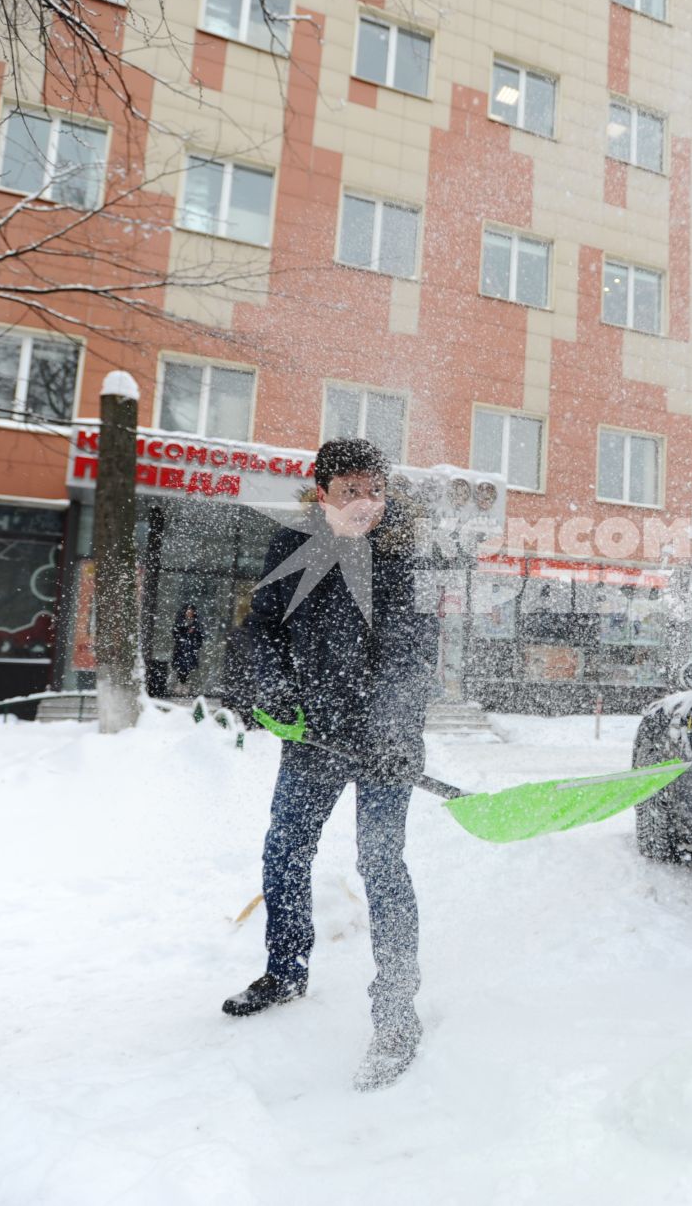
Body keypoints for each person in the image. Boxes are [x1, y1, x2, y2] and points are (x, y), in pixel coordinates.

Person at [223, 437, 437, 1093]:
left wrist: (394, 732)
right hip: (313, 738)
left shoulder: (404, 554)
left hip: (385, 746)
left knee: (380, 862)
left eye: (375, 490)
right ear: (322, 492)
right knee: (285, 849)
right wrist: (270, 683)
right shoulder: (291, 548)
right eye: (351, 490)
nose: (366, 503)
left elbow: (414, 653)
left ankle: (397, 1011)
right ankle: (285, 970)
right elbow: (262, 629)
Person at [170, 602, 205, 688]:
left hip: (191, 649)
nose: (189, 614)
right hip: (181, 649)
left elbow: (201, 636)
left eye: (191, 612)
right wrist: (184, 632)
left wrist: (195, 642)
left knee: (188, 668)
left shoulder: (197, 624)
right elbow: (175, 634)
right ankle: (180, 684)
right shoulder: (179, 622)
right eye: (188, 612)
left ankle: (185, 685)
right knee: (181, 667)